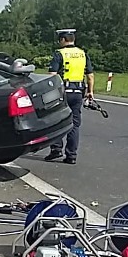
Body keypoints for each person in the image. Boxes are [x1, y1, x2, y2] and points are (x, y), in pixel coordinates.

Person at [44, 29, 94, 164]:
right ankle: (71, 155)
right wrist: (90, 92)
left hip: (62, 91)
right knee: (74, 124)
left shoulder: (59, 54)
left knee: (56, 121)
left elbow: (52, 75)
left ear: (63, 40)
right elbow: (90, 76)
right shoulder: (83, 54)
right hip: (78, 92)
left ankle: (56, 149)